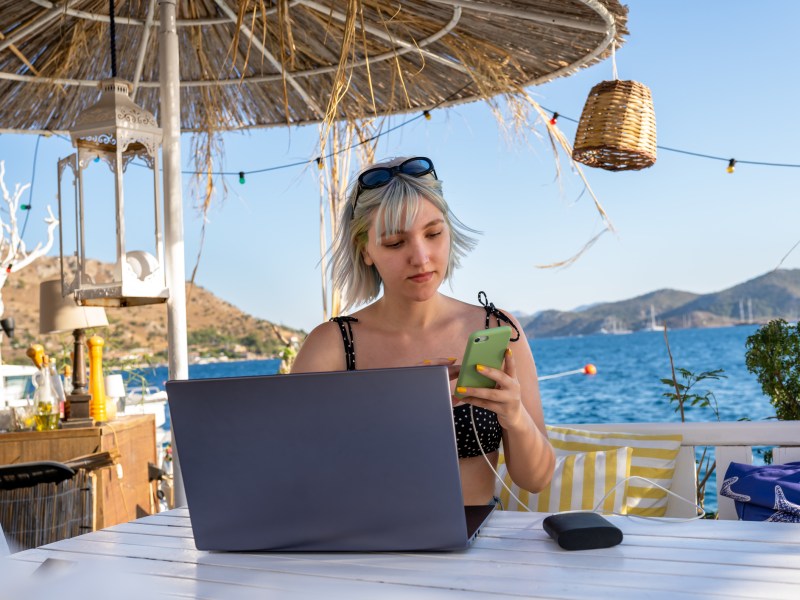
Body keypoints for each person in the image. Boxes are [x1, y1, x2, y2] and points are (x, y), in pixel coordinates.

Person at [291, 156, 555, 505]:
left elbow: (535, 480)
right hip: (369, 550)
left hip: (474, 549)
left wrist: (514, 415)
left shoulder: (496, 328)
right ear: (365, 250)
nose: (421, 256)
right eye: (395, 243)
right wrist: (393, 410)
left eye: (433, 234)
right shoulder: (333, 346)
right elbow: (296, 476)